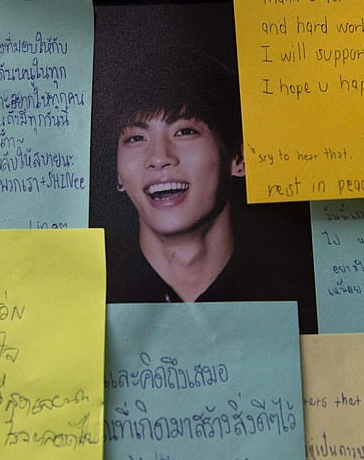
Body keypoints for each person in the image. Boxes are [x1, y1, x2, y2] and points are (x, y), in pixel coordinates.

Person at [93, 23, 317, 334]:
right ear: (117, 173)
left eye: (185, 131)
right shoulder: (86, 303)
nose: (159, 157)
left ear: (238, 158)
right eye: (135, 138)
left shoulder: (305, 300)